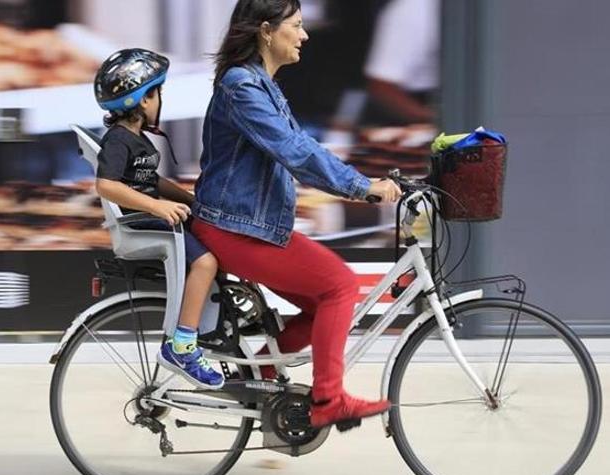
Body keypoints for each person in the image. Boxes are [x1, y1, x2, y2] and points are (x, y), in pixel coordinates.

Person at [191, 0, 402, 430]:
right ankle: (329, 399)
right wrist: (362, 187)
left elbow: (299, 145)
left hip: (250, 224)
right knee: (340, 286)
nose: (305, 35)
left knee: (322, 304)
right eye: (297, 26)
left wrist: (362, 180)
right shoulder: (242, 87)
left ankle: (264, 376)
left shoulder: (262, 85)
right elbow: (295, 152)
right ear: (267, 31)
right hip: (233, 228)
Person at [93, 48, 224, 390]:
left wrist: (189, 200)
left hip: (151, 218)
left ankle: (211, 325)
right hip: (142, 225)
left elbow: (152, 182)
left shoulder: (136, 140)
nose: (159, 100)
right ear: (142, 99)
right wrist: (158, 208)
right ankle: (183, 344)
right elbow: (106, 185)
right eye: (156, 93)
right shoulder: (119, 140)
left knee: (215, 238)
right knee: (206, 263)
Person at [363, 0, 440, 125]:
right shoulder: (416, 7)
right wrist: (436, 119)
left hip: (471, 103)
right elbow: (381, 85)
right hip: (423, 109)